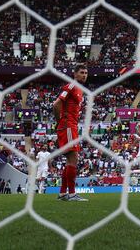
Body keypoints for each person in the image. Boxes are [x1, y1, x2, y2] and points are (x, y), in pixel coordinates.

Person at [52, 64, 89, 202]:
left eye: (86, 72)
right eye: (82, 72)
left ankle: (63, 193)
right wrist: (60, 122)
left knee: (70, 160)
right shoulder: (72, 86)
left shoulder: (79, 89)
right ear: (75, 74)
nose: (84, 75)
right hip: (68, 126)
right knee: (73, 158)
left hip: (71, 126)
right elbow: (56, 105)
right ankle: (72, 194)